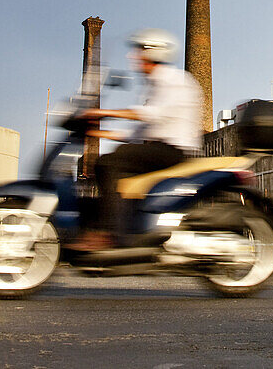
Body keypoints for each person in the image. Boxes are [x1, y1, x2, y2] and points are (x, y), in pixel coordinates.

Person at [68, 28, 203, 251]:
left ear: (154, 53)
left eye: (139, 51)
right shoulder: (154, 85)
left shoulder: (174, 81)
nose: (134, 57)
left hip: (173, 150)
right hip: (157, 148)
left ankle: (111, 234)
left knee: (109, 163)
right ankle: (127, 227)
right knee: (109, 163)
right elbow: (138, 134)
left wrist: (102, 113)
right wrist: (97, 133)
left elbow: (151, 114)